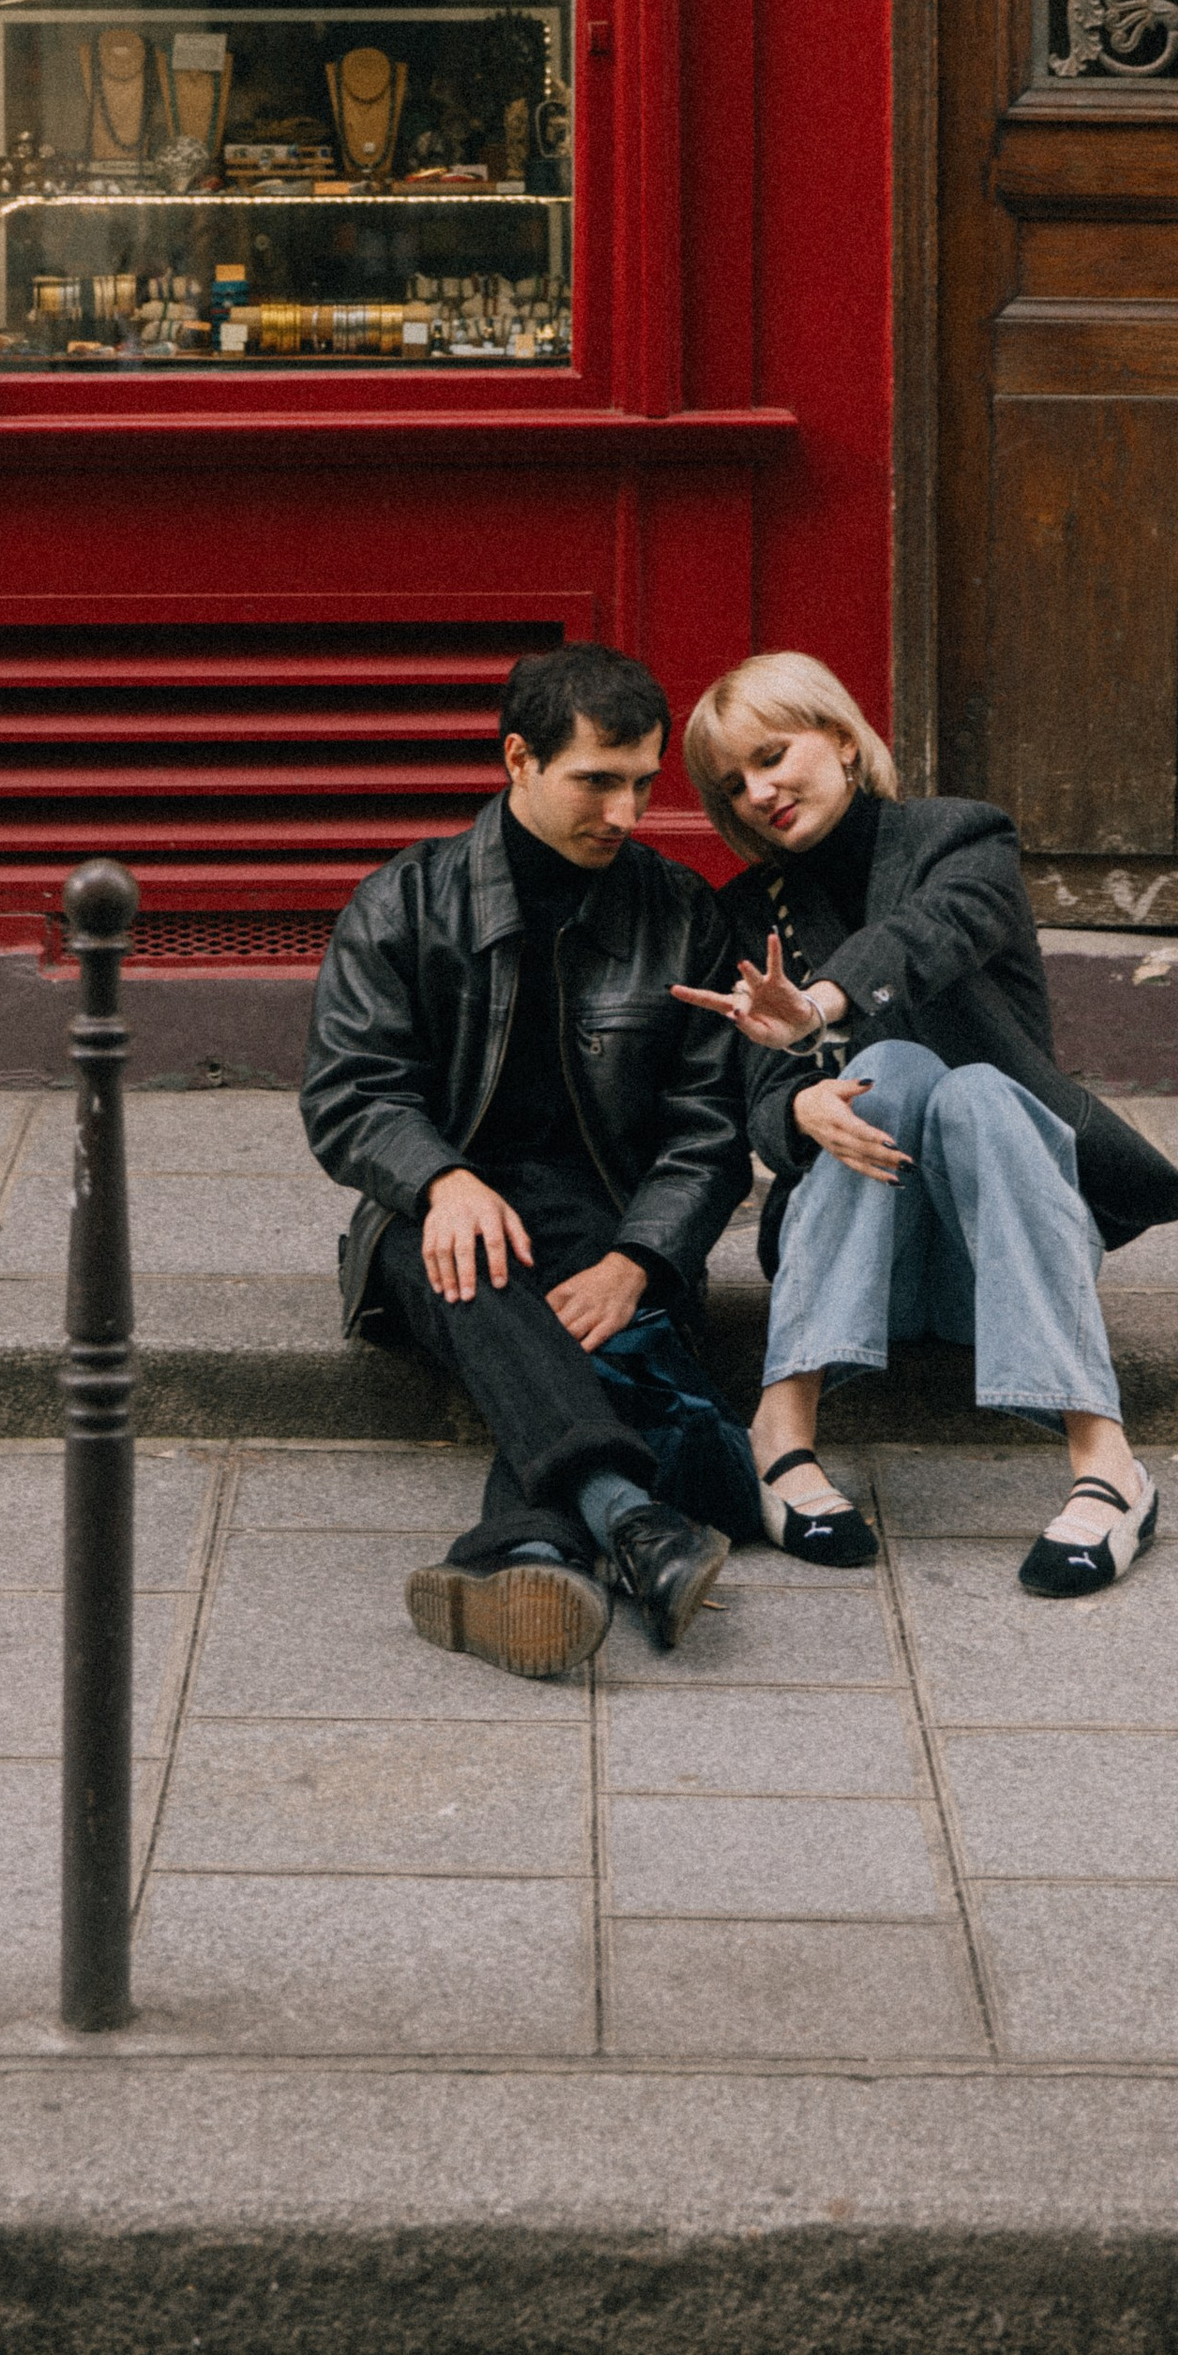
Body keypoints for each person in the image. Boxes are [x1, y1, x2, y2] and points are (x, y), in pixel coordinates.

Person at [674, 651, 1178, 1598]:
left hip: (994, 1254)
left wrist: (822, 1005)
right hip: (855, 1267)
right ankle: (780, 1433)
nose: (758, 791)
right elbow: (751, 1099)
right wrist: (796, 1102)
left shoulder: (964, 839)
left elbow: (929, 936)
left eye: (772, 754)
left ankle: (1108, 1463)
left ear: (838, 736)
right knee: (887, 1074)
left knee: (972, 1090)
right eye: (732, 783)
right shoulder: (748, 910)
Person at [304, 642, 758, 1683]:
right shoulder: (406, 901)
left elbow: (707, 1123)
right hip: (428, 1220)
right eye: (596, 781)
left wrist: (641, 1258)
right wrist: (440, 1176)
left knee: (560, 1284)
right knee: (462, 1251)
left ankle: (529, 1551)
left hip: (603, 1222)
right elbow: (347, 1092)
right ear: (517, 759)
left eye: (642, 782)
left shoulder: (678, 910)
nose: (627, 813)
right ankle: (632, 1516)